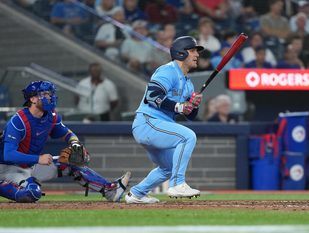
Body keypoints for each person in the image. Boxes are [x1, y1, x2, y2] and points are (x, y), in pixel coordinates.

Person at [0, 80, 130, 203]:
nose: (49, 97)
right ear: (32, 99)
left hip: (31, 166)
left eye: (50, 94)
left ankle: (111, 191)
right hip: (8, 169)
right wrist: (38, 159)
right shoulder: (18, 121)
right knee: (32, 193)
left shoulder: (51, 116)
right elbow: (9, 154)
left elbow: (67, 133)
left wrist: (75, 144)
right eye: (44, 94)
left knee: (70, 163)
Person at [125, 36, 204, 204]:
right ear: (181, 53)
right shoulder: (168, 70)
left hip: (157, 126)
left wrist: (193, 105)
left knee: (168, 167)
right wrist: (180, 107)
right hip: (148, 122)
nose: (197, 54)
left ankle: (136, 194)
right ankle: (177, 184)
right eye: (193, 51)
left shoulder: (188, 84)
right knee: (188, 136)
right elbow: (152, 96)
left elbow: (191, 116)